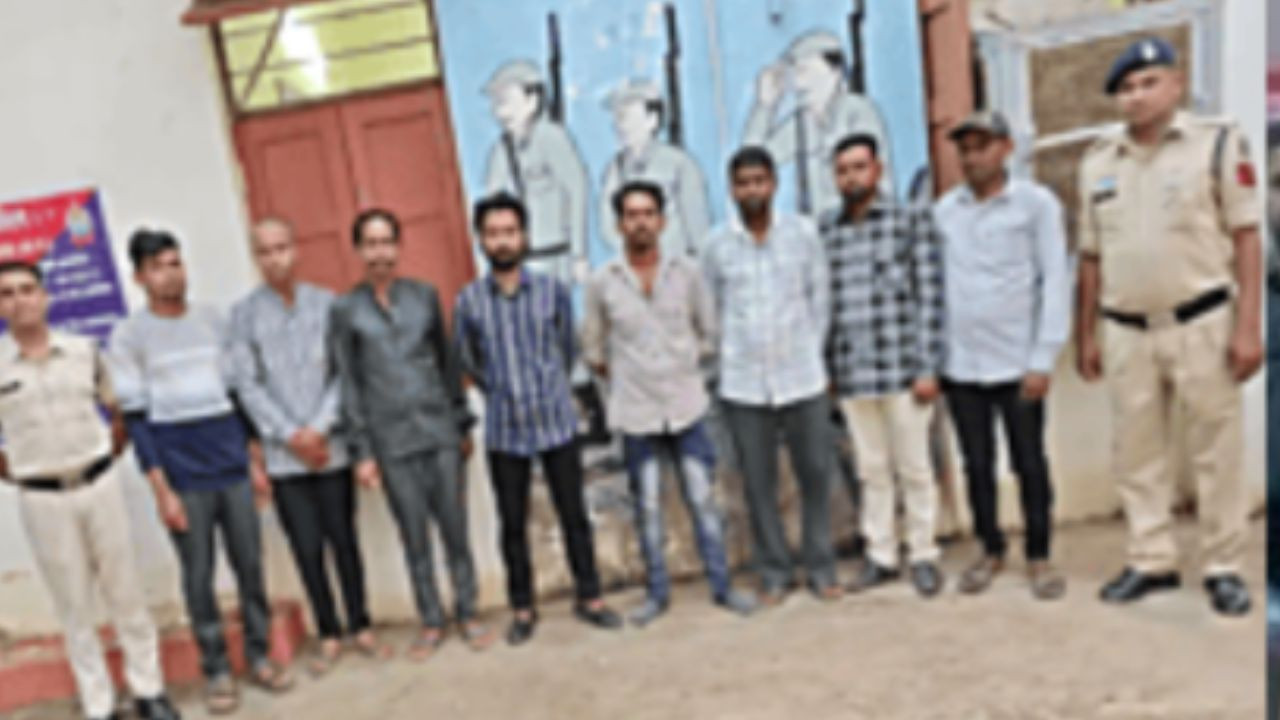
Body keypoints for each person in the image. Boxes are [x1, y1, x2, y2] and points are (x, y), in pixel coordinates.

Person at [1075, 37, 1263, 616]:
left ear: (1177, 85)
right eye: (1126, 89)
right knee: (1137, 452)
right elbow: (1090, 256)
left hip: (1201, 320)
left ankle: (1224, 565)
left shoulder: (1215, 145)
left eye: (1148, 83)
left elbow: (1247, 238)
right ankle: (1151, 558)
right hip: (1125, 329)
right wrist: (1085, 335)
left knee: (1215, 450)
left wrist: (1248, 327)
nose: (1136, 96)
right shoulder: (1098, 162)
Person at [108, 230, 292, 715]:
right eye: (158, 267)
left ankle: (259, 656)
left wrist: (255, 463)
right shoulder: (130, 337)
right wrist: (161, 490)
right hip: (183, 476)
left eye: (176, 263)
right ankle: (216, 670)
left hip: (232, 465)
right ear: (140, 277)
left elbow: (236, 396)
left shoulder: (214, 321)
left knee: (251, 566)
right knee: (198, 576)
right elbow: (138, 421)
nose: (171, 275)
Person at [0, 261, 180, 720]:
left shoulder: (83, 351)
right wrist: (20, 471)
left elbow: (117, 409)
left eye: (27, 289)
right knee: (74, 604)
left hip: (100, 486)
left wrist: (103, 457)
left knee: (126, 592)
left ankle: (150, 692)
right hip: (43, 499)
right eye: (7, 294)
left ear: (44, 296)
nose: (19, 300)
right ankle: (98, 704)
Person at [582, 180, 757, 626]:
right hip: (636, 414)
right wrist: (629, 377)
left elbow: (709, 334)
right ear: (619, 225)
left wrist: (681, 365)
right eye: (631, 215)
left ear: (661, 221)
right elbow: (594, 349)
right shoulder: (603, 282)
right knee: (647, 508)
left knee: (703, 500)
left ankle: (723, 586)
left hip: (686, 407)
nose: (640, 223)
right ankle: (656, 595)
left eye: (648, 214)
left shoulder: (688, 273)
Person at [454, 192, 622, 645]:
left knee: (574, 515)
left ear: (524, 237)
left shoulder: (552, 292)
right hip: (505, 430)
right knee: (513, 525)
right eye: (493, 233)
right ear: (481, 240)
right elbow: (469, 361)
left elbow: (566, 349)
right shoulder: (469, 302)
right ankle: (523, 609)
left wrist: (547, 388)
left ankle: (591, 597)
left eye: (510, 232)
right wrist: (501, 391)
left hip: (555, 423)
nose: (502, 241)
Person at [328, 209, 494, 660]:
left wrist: (461, 423)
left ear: (399, 247)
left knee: (455, 529)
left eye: (387, 242)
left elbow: (447, 364)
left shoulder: (424, 296)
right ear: (358, 250)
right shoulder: (345, 311)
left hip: (438, 432)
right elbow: (349, 383)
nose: (380, 253)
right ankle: (432, 620)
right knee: (414, 536)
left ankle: (468, 612)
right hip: (391, 442)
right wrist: (362, 451)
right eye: (371, 244)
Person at [228, 219, 389, 674]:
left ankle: (361, 624)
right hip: (285, 460)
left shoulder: (327, 304)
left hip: (330, 450)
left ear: (295, 249)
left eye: (281, 247)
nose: (275, 259)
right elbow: (247, 385)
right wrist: (289, 435)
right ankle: (329, 632)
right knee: (306, 548)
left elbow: (343, 373)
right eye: (265, 251)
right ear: (256, 257)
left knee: (344, 540)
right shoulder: (243, 317)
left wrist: (319, 428)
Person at [934, 111, 1072, 600]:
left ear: (1006, 148)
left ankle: (1039, 554)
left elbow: (1055, 280)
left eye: (983, 146)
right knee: (977, 464)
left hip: (1018, 364)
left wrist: (1043, 358)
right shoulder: (945, 212)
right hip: (962, 364)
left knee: (1029, 462)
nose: (973, 157)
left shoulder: (1035, 205)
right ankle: (990, 549)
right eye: (965, 149)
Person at [702, 146, 839, 604]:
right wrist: (725, 362)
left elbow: (820, 300)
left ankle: (821, 567)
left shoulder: (802, 234)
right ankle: (775, 572)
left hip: (802, 377)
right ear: (732, 189)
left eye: (759, 181)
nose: (752, 191)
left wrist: (810, 353)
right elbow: (711, 312)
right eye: (743, 183)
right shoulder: (717, 246)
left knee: (815, 474)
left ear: (774, 184)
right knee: (758, 484)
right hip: (743, 383)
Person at [822, 134, 946, 598]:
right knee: (871, 471)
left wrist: (928, 366)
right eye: (843, 170)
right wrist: (829, 367)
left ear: (878, 170)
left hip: (903, 371)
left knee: (914, 468)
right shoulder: (828, 230)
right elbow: (826, 304)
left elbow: (930, 297)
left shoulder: (908, 221)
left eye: (859, 167)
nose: (851, 178)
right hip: (854, 375)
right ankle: (881, 555)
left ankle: (924, 554)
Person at [743, 30, 893, 216]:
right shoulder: (802, 123)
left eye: (805, 72)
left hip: (867, 221)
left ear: (835, 72)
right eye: (794, 74)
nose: (799, 84)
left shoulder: (857, 110)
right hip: (822, 228)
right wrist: (764, 107)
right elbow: (751, 164)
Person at [483, 59, 590, 285]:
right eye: (497, 104)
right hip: (521, 257)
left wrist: (579, 253)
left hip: (555, 252)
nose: (501, 112)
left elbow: (576, 189)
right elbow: (492, 200)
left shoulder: (551, 138)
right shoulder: (502, 150)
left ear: (532, 101)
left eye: (507, 101)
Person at [598, 80, 712, 258]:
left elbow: (698, 229)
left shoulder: (679, 164)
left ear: (652, 120)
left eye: (628, 117)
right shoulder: (614, 169)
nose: (621, 125)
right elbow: (608, 225)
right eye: (618, 118)